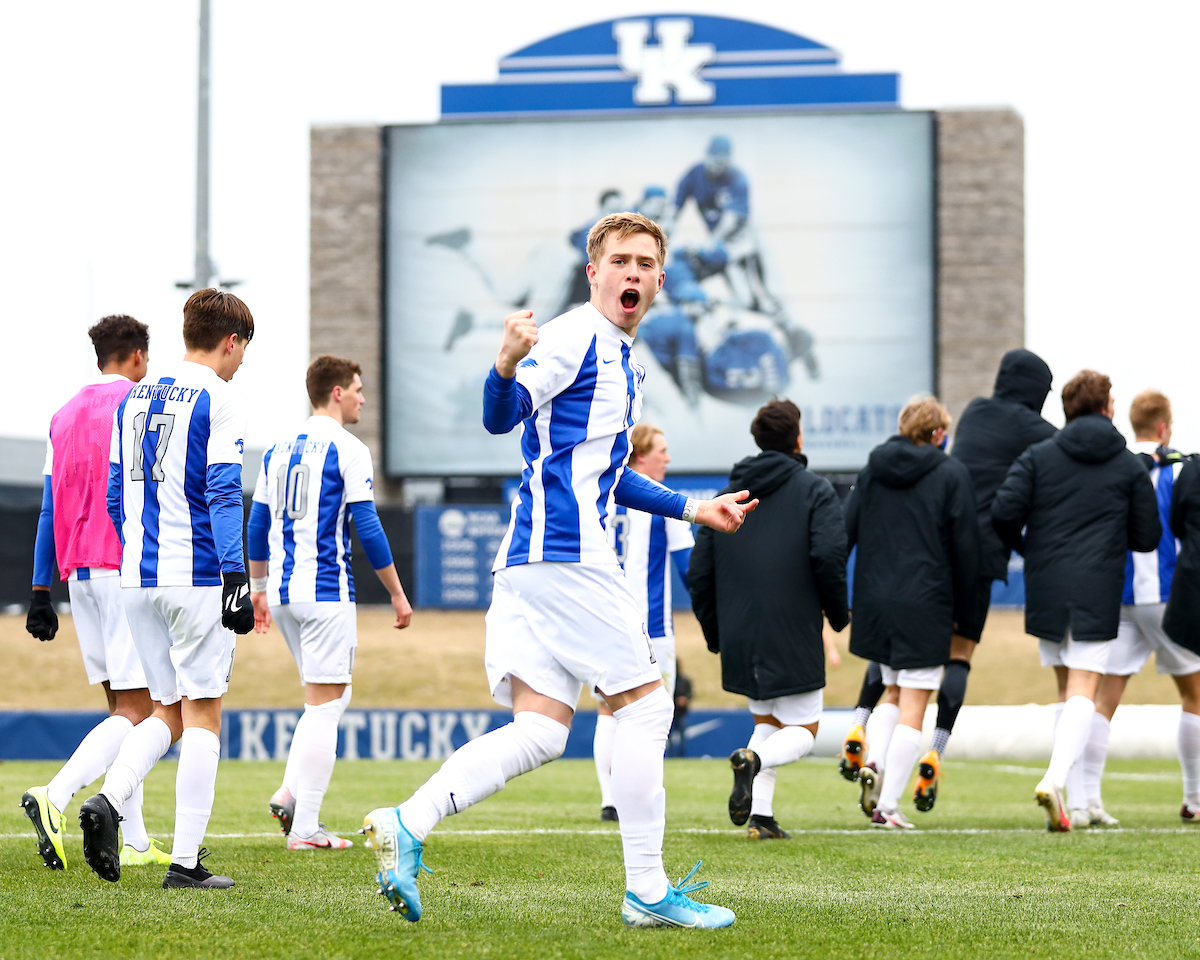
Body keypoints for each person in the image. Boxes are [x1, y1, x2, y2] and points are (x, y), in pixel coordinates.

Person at [359, 212, 757, 929]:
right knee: (646, 705)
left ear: (660, 281)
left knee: (542, 730)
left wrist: (695, 510)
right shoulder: (577, 336)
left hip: (531, 559)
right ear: (593, 273)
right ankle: (646, 889)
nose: (632, 272)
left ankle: (407, 821)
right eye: (620, 261)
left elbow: (607, 473)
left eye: (644, 263)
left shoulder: (625, 359)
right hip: (565, 553)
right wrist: (505, 361)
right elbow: (501, 415)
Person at [78, 288, 257, 888]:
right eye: (242, 351)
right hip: (198, 574)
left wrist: (140, 549)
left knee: (165, 710)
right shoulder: (219, 397)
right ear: (230, 341)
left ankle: (109, 799)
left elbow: (111, 495)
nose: (240, 363)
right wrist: (237, 576)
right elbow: (225, 491)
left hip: (136, 575)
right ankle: (185, 863)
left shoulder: (132, 399)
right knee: (204, 715)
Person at [838, 349, 1057, 810]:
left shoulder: (976, 410)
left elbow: (846, 528)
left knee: (896, 668)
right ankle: (934, 750)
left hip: (910, 563)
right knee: (955, 659)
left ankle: (863, 726)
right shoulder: (1038, 433)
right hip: (965, 561)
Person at [21, 316, 172, 871]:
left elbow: (47, 508)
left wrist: (41, 588)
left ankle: (133, 841)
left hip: (78, 571)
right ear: (136, 356)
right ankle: (55, 797)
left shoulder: (62, 416)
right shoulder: (139, 405)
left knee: (121, 710)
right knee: (144, 712)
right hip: (126, 566)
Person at [247, 356, 415, 849]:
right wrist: (398, 594)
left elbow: (257, 526)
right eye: (358, 389)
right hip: (324, 592)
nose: (363, 398)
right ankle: (306, 829)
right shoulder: (349, 449)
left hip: (282, 593)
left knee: (329, 700)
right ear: (336, 392)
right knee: (323, 708)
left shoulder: (277, 448)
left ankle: (290, 791)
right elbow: (367, 525)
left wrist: (258, 589)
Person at [992, 370, 1160, 831]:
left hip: (1046, 587)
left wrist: (1032, 551)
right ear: (1107, 408)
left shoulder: (1037, 456)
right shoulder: (1128, 465)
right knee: (1086, 688)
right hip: (1096, 587)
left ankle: (1081, 804)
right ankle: (1054, 778)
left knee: (1068, 694)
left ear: (1066, 409)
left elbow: (1003, 513)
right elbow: (1147, 537)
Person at [689, 399, 848, 840]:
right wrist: (837, 616)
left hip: (741, 632)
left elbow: (698, 573)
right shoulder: (814, 490)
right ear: (797, 439)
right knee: (803, 730)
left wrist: (716, 632)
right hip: (793, 628)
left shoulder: (727, 496)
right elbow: (829, 556)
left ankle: (761, 817)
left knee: (767, 724)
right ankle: (754, 764)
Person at [846, 397, 981, 830]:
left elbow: (845, 530)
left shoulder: (873, 470)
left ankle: (875, 763)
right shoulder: (950, 473)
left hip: (876, 600)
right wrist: (967, 612)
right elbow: (966, 550)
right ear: (938, 434)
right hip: (926, 601)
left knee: (891, 690)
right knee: (915, 705)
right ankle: (886, 805)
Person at [1065, 390, 1198, 827]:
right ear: (1164, 427)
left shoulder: (1115, 465)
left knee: (1103, 701)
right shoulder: (1179, 469)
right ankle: (1195, 799)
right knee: (1195, 696)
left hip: (1119, 596)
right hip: (1165, 596)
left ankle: (1087, 802)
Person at [593, 422, 693, 823]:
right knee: (652, 714)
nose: (667, 458)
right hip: (651, 628)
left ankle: (609, 799)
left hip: (603, 621)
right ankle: (641, 799)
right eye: (661, 450)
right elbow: (688, 567)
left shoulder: (599, 496)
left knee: (607, 711)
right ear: (639, 455)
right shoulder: (665, 502)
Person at [1165, 453, 1200, 821]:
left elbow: (1175, 523)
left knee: (1195, 694)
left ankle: (1194, 798)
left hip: (1192, 581)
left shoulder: (1192, 468)